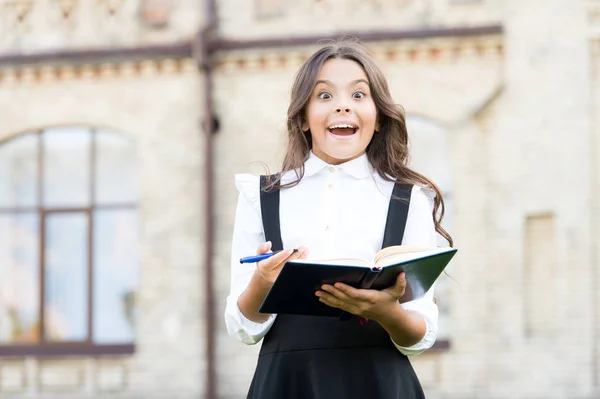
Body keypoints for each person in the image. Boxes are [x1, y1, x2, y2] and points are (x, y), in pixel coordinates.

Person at [224, 39, 453, 399]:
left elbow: (419, 335)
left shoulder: (408, 199)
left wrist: (387, 311)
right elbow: (242, 327)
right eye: (325, 96)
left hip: (379, 382)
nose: (343, 105)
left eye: (359, 95)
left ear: (378, 118)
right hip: (288, 382)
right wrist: (262, 283)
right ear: (302, 117)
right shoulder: (261, 196)